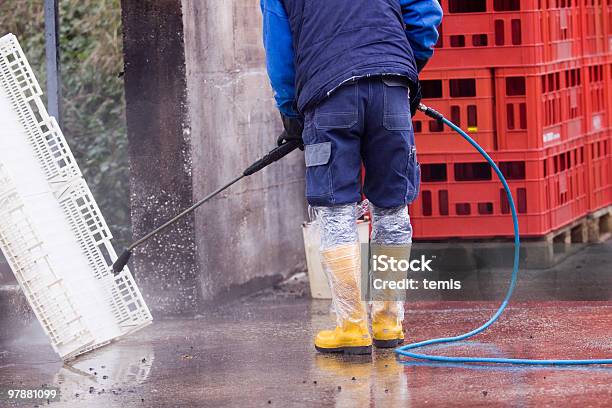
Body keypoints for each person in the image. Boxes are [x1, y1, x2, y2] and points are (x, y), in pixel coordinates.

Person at [260, 0, 443, 354]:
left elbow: (280, 49)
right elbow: (424, 18)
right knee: (392, 208)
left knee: (336, 209)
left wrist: (290, 108)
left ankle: (352, 326)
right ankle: (388, 321)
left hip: (328, 96)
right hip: (391, 87)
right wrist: (401, 68)